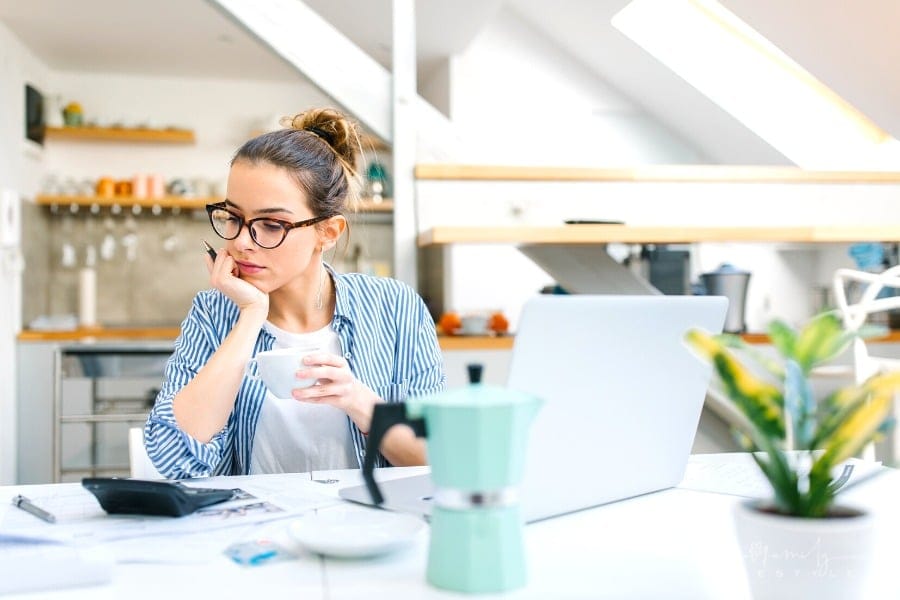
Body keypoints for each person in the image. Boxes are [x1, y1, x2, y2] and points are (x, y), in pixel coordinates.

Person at [145, 107, 446, 478]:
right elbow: (174, 460)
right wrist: (251, 316)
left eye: (271, 225)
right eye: (233, 218)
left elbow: (436, 460)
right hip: (253, 530)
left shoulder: (395, 308)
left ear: (328, 232)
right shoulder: (214, 312)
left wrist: (358, 400)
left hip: (367, 527)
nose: (241, 242)